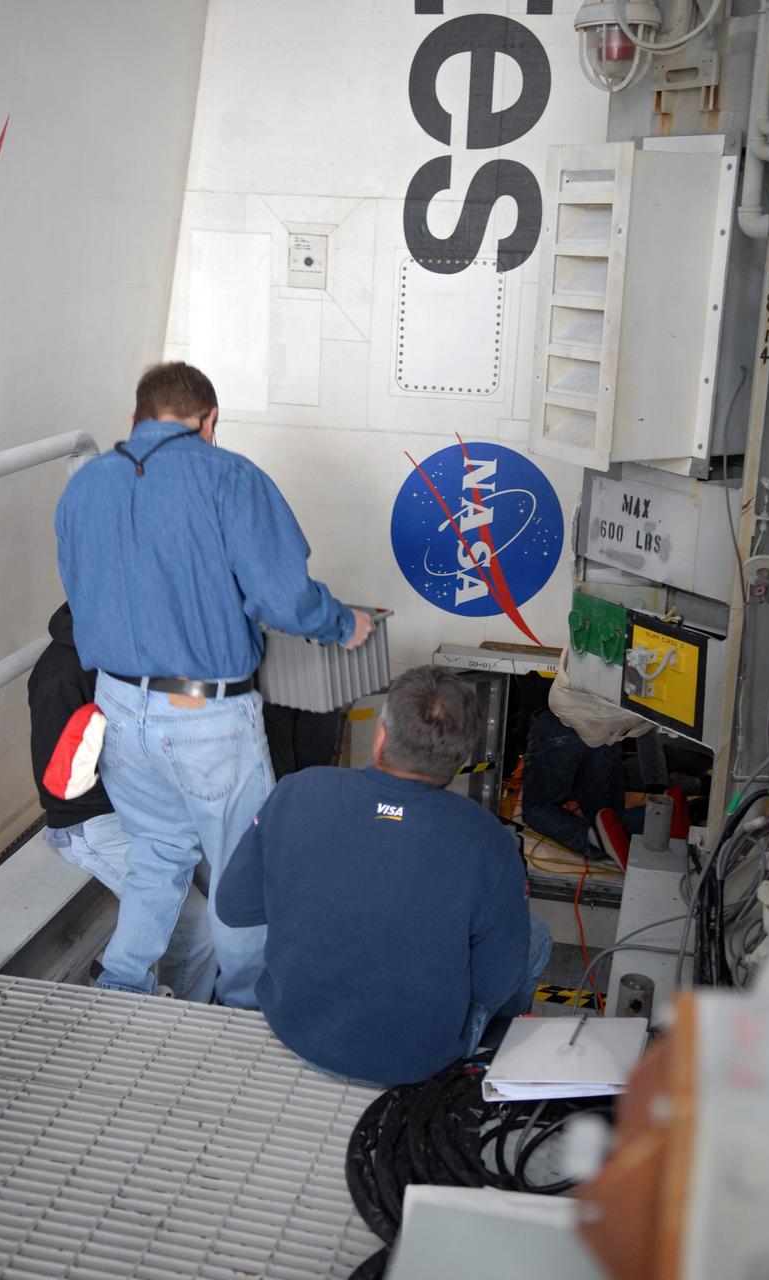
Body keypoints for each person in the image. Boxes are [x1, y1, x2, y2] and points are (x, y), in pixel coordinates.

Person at [55, 361, 372, 1005]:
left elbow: (82, 587)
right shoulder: (231, 477)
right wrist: (346, 625)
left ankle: (122, 980)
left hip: (115, 703)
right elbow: (285, 599)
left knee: (156, 850)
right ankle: (246, 1006)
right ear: (210, 420)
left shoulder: (85, 485)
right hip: (203, 715)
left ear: (135, 418)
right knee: (240, 869)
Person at [216, 666, 553, 1088]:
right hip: (417, 1059)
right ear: (461, 757)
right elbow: (493, 982)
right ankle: (489, 1057)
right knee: (535, 936)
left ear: (381, 734)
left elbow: (233, 907)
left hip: (297, 1030)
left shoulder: (297, 791)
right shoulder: (488, 840)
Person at [27, 602, 217, 1001]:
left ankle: (200, 985)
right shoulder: (60, 674)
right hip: (89, 821)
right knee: (196, 923)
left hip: (142, 804)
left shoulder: (131, 649)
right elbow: (61, 791)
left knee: (226, 888)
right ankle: (184, 1016)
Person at [521, 646, 650, 870]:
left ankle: (592, 838)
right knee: (605, 811)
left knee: (537, 808)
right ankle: (656, 818)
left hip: (560, 721)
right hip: (605, 725)